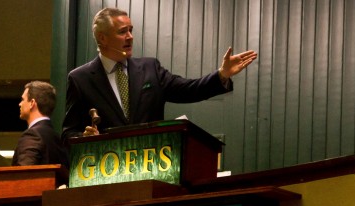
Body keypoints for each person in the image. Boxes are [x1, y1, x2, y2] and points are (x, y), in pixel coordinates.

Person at [61, 7, 258, 141]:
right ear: (102, 38)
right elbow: (69, 132)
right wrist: (84, 139)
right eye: (122, 32)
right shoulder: (81, 79)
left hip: (151, 166)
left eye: (131, 30)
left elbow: (188, 90)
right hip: (107, 172)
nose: (130, 36)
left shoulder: (150, 69)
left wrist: (222, 74)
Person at [12, 81, 69, 170]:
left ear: (32, 103)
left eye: (23, 99)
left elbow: (23, 176)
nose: (20, 104)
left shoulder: (32, 135)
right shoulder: (56, 138)